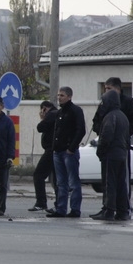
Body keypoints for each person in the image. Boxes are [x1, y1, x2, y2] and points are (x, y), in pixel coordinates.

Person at [91, 77, 133, 217]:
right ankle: (115, 208)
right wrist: (99, 130)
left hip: (117, 147)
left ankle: (117, 209)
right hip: (115, 148)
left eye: (109, 89)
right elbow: (97, 121)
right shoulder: (106, 107)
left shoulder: (126, 104)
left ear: (118, 89)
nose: (106, 92)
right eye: (105, 89)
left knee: (116, 181)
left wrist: (122, 135)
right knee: (112, 181)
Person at [90, 90, 130, 221]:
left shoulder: (110, 116)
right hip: (121, 154)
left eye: (104, 101)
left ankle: (108, 210)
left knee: (109, 183)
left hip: (111, 154)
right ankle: (122, 211)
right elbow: (127, 137)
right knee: (121, 184)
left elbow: (106, 136)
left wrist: (100, 151)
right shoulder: (123, 116)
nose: (102, 104)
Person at [47, 86, 86, 218]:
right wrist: (54, 147)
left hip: (69, 152)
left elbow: (81, 130)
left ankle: (75, 209)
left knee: (73, 182)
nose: (59, 98)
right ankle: (61, 209)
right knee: (60, 182)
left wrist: (71, 148)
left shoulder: (75, 111)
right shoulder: (59, 112)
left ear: (69, 97)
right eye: (58, 95)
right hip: (57, 151)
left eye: (62, 95)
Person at [30, 100, 57, 213]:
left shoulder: (51, 115)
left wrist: (43, 118)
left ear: (44, 108)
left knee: (38, 175)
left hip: (51, 150)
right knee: (56, 178)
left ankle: (41, 202)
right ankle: (59, 204)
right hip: (56, 150)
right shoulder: (57, 113)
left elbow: (40, 127)